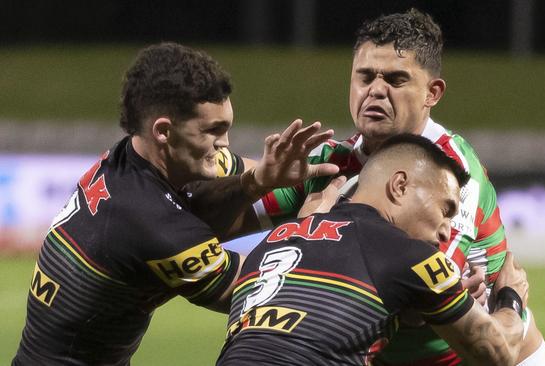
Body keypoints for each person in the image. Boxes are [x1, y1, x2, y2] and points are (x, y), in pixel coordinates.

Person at [222, 8, 545, 366]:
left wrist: (311, 233)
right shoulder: (327, 163)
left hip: (488, 353)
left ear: (432, 92)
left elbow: (415, 296)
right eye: (365, 77)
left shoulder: (452, 174)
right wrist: (254, 182)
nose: (376, 92)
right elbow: (220, 224)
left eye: (396, 80)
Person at [12, 42, 339, 365]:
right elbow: (265, 289)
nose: (223, 143)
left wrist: (262, 181)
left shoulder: (133, 159)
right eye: (214, 130)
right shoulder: (149, 221)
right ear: (164, 132)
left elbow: (239, 184)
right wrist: (310, 226)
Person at [217, 134, 529, 366]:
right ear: (400, 186)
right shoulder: (409, 255)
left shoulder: (276, 240)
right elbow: (496, 352)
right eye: (445, 209)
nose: (447, 229)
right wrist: (510, 300)